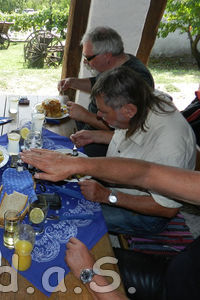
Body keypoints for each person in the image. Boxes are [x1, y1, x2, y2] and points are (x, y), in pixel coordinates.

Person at [21, 151, 200, 300]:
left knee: (63, 281)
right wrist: (77, 164)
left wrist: (89, 274)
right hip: (175, 272)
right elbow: (147, 173)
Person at [40, 67, 196, 235]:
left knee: (71, 217)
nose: (98, 116)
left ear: (129, 110)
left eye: (104, 112)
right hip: (116, 184)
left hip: (146, 214)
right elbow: (136, 139)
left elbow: (166, 209)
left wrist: (108, 196)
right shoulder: (143, 99)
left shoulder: (170, 146)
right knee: (57, 192)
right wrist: (97, 136)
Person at [58, 26, 155, 157]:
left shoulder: (135, 78)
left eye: (88, 58)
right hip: (90, 128)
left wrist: (86, 116)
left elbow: (127, 130)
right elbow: (97, 85)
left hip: (108, 145)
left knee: (59, 151)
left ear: (107, 56)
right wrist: (73, 82)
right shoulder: (115, 65)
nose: (86, 61)